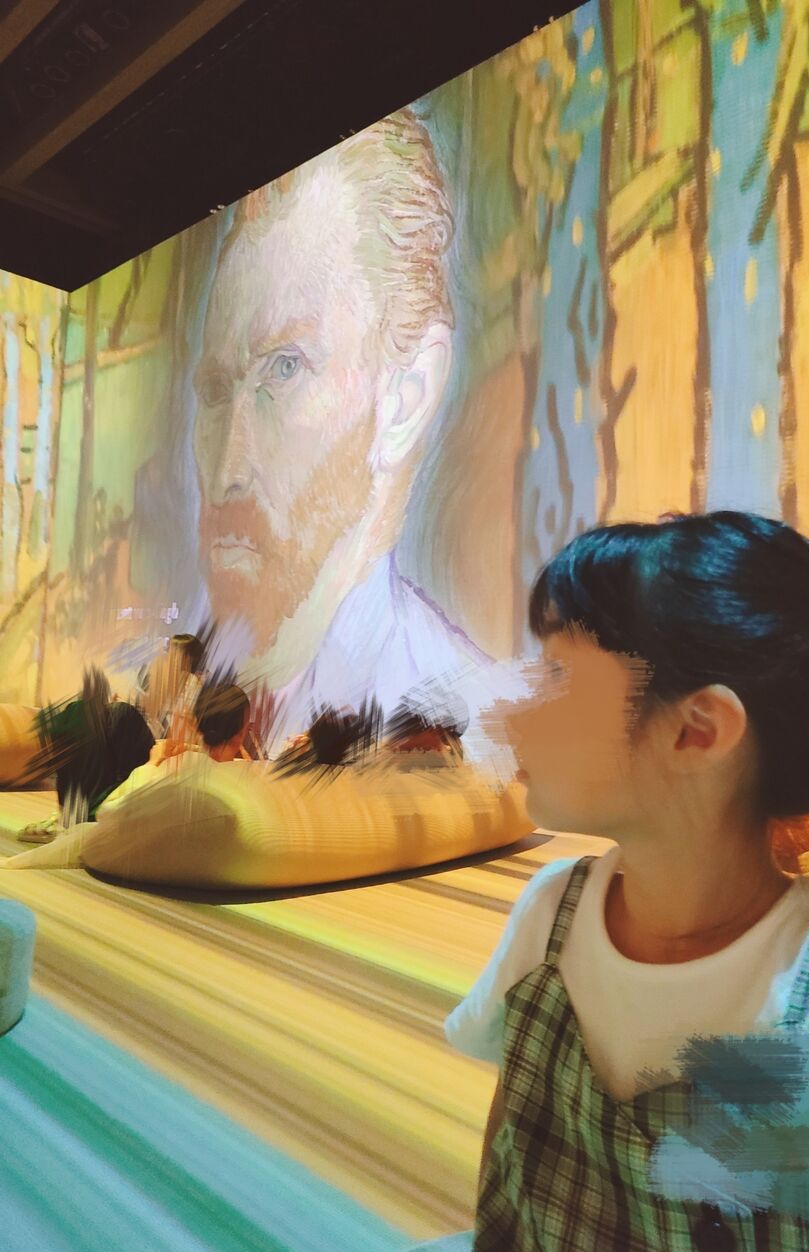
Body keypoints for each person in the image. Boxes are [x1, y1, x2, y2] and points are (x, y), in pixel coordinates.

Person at [444, 514, 809, 1252]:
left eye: (555, 675)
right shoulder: (548, 917)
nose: (509, 708)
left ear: (697, 730)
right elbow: (513, 1156)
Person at [184, 107, 491, 747]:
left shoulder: (465, 733)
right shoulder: (187, 696)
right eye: (215, 389)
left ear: (405, 398)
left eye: (286, 368)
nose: (225, 472)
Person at [17, 668, 155, 844]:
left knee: (120, 712)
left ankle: (82, 818)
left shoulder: (187, 689)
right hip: (133, 750)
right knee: (80, 710)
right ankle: (76, 815)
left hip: (154, 766)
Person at [97, 682, 251, 812]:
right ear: (241, 733)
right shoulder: (249, 786)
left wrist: (152, 764)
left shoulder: (165, 776)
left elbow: (108, 811)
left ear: (194, 722)